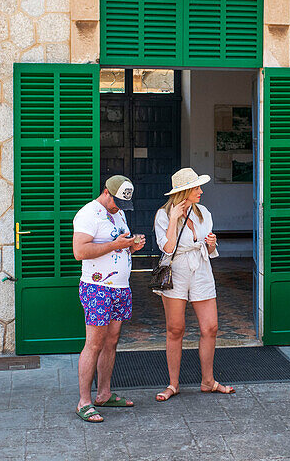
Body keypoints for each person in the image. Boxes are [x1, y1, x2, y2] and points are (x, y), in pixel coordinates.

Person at [152, 167, 234, 401]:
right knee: (175, 329)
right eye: (197, 187)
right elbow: (167, 248)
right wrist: (175, 218)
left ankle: (208, 381)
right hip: (176, 270)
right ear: (184, 191)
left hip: (201, 268)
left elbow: (210, 249)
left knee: (211, 327)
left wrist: (211, 243)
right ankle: (173, 384)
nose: (201, 191)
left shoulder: (203, 212)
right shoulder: (163, 215)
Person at [72, 175, 145, 423]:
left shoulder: (119, 214)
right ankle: (84, 401)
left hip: (120, 287)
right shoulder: (88, 214)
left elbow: (118, 242)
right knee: (93, 344)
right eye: (116, 203)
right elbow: (80, 251)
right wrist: (115, 245)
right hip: (97, 288)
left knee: (111, 342)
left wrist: (131, 245)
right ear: (106, 192)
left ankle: (104, 393)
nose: (118, 208)